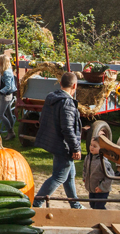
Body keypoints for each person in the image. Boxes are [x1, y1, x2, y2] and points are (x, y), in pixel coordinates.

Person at [33, 72, 84, 209]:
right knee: (59, 177)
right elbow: (67, 129)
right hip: (64, 145)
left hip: (54, 142)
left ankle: (75, 205)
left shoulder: (52, 97)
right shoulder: (66, 102)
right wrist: (75, 148)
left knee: (69, 176)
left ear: (60, 84)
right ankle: (36, 203)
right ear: (74, 85)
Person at [82, 120, 114, 210]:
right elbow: (85, 168)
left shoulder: (103, 161)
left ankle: (105, 220)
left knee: (99, 207)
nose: (91, 147)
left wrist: (102, 187)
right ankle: (97, 222)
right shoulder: (88, 157)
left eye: (95, 146)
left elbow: (110, 176)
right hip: (91, 188)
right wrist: (85, 178)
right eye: (91, 145)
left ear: (101, 148)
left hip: (101, 190)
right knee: (93, 206)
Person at [0, 54, 18, 141]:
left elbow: (8, 87)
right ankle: (11, 132)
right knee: (8, 114)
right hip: (6, 95)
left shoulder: (7, 72)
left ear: (3, 62)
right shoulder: (4, 71)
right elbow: (3, 82)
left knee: (0, 114)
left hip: (6, 96)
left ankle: (10, 132)